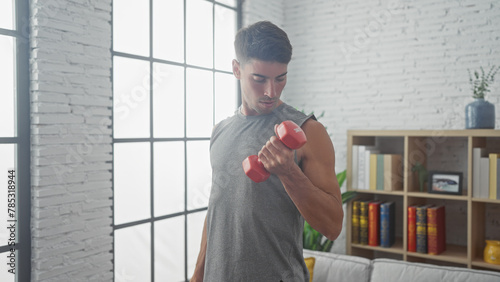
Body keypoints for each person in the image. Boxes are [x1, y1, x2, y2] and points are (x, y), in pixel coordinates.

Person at [191, 21, 343, 282]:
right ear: (237, 70)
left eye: (280, 78)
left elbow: (332, 226)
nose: (271, 91)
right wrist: (197, 276)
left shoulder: (310, 131)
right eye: (259, 79)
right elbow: (217, 210)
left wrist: (288, 172)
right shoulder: (220, 131)